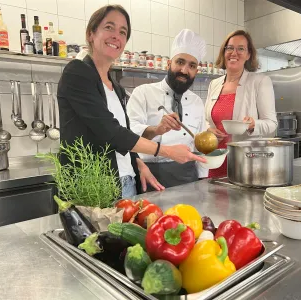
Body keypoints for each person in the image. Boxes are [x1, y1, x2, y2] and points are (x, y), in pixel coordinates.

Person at [57, 5, 205, 198]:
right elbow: (111, 132)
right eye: (109, 27)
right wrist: (167, 151)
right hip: (92, 184)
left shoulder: (115, 87)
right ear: (91, 33)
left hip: (125, 181)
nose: (116, 36)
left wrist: (138, 162)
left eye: (123, 32)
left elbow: (123, 134)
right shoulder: (77, 72)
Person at [127, 29, 208, 188]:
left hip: (187, 176)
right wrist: (157, 129)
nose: (184, 70)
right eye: (180, 62)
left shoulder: (197, 101)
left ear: (196, 71)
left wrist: (203, 179)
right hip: (150, 174)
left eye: (191, 66)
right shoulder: (143, 93)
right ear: (169, 63)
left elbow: (201, 145)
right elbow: (129, 135)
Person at [205, 30, 277, 178]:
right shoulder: (214, 84)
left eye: (241, 49)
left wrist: (253, 125)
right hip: (216, 159)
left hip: (245, 161)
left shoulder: (260, 82)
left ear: (248, 54)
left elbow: (272, 123)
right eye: (230, 48)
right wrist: (208, 131)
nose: (234, 53)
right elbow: (207, 121)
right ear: (224, 51)